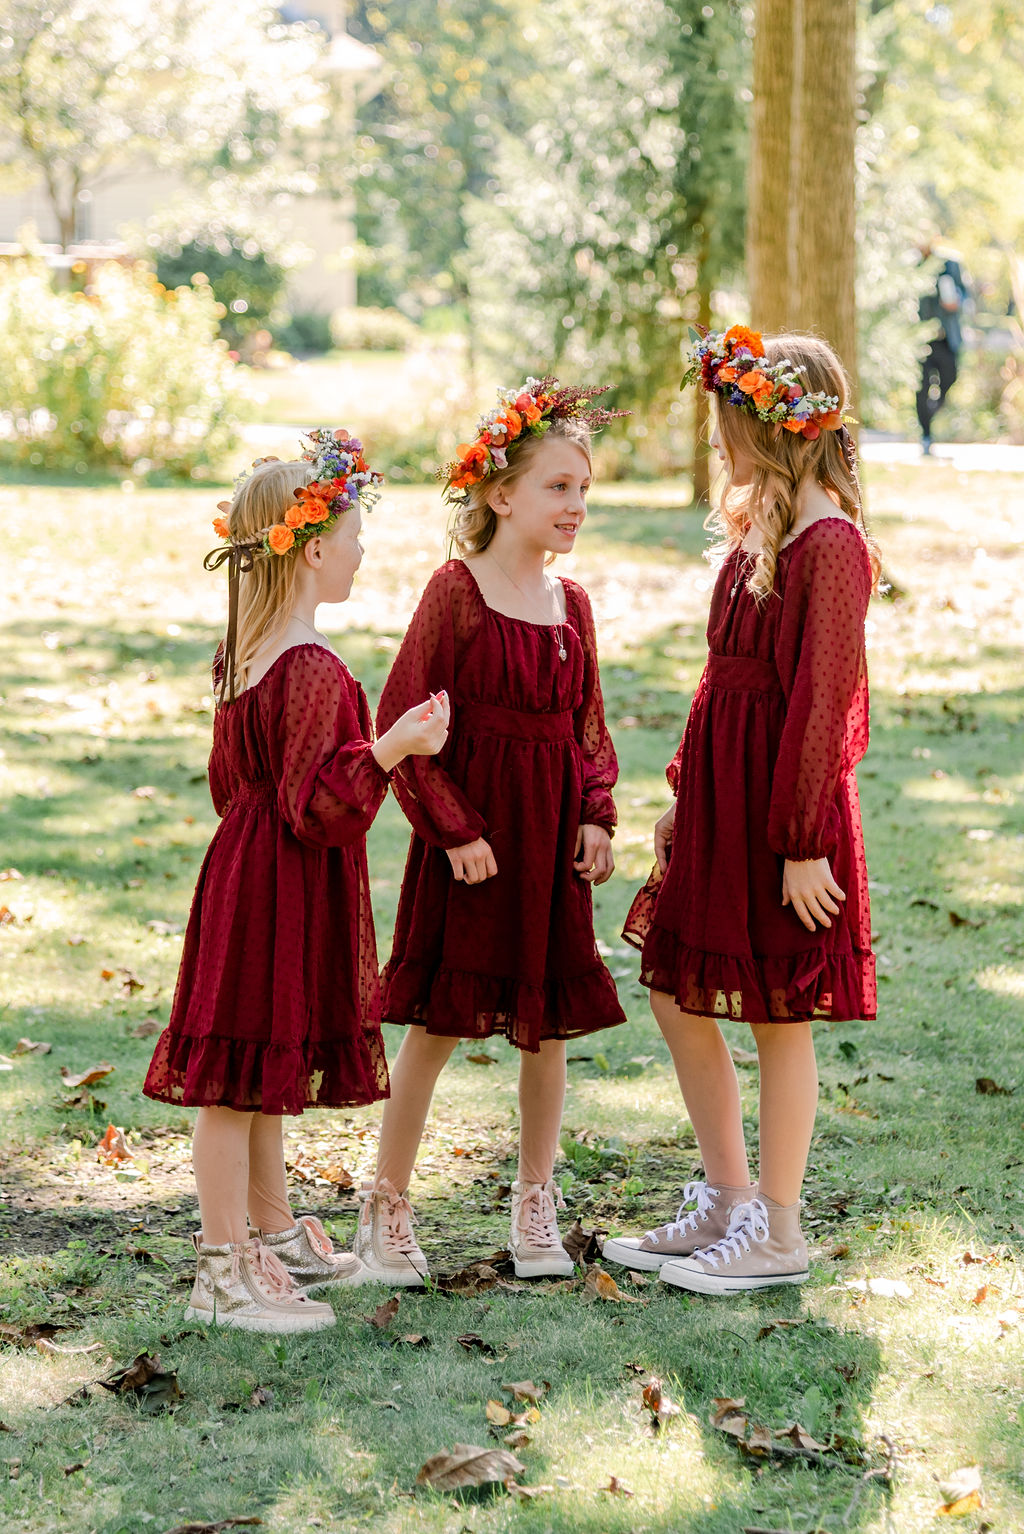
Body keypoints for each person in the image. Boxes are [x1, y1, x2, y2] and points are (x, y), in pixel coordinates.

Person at [143, 432, 450, 1332]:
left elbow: (232, 785)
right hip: (279, 880)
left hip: (242, 869)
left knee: (260, 1060)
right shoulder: (310, 665)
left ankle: (271, 1234)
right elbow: (319, 805)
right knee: (233, 1081)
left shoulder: (243, 651)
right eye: (355, 537)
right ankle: (220, 1269)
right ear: (313, 550)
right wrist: (392, 747)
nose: (362, 552)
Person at [603, 328, 879, 1294]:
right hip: (723, 801)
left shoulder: (830, 546)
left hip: (781, 811)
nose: (717, 442)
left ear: (781, 427)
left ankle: (780, 1229)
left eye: (729, 424)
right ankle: (728, 1198)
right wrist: (686, 793)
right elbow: (722, 679)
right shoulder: (760, 532)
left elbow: (821, 705)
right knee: (675, 987)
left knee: (778, 1013)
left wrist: (802, 843)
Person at [358, 378, 627, 1284]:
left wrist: (594, 813)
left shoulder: (572, 605)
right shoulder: (456, 593)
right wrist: (454, 829)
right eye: (558, 487)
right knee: (437, 1026)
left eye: (583, 489)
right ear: (501, 494)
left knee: (545, 1030)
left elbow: (588, 726)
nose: (576, 505)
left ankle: (536, 1201)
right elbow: (403, 719)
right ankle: (385, 1207)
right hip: (474, 850)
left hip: (549, 845)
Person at [916, 241, 969, 455]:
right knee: (921, 388)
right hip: (921, 341)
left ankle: (933, 409)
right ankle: (926, 436)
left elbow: (965, 293)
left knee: (950, 377)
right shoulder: (911, 264)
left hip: (946, 339)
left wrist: (956, 301)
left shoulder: (950, 263)